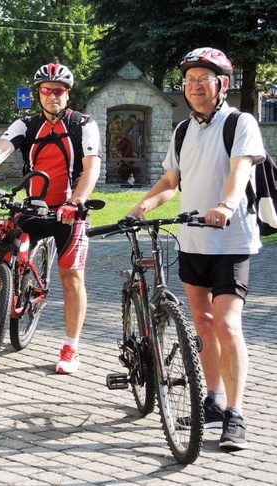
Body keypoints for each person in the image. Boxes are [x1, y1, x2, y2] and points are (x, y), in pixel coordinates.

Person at [127, 47, 263, 451]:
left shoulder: (241, 122)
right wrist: (141, 207)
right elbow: (172, 181)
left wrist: (224, 206)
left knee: (227, 325)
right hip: (191, 241)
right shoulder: (182, 130)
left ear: (222, 84)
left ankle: (236, 415)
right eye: (189, 81)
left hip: (230, 239)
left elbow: (240, 170)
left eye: (203, 79)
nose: (195, 87)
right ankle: (214, 401)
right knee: (202, 324)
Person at [0, 61, 101, 373]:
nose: (53, 95)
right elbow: (2, 147)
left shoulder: (83, 124)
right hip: (35, 206)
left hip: (70, 211)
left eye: (60, 90)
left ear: (68, 93)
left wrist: (76, 200)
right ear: (39, 93)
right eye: (47, 90)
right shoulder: (26, 125)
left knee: (72, 276)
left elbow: (91, 166)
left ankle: (71, 348)